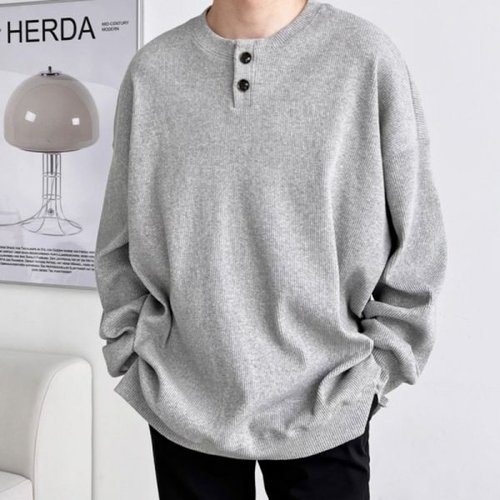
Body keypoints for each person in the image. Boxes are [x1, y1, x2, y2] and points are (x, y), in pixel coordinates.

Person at [94, 0, 448, 498]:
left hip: (329, 397)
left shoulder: (364, 58)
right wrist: (133, 349)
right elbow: (119, 236)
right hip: (184, 397)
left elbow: (418, 239)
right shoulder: (152, 72)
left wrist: (378, 369)